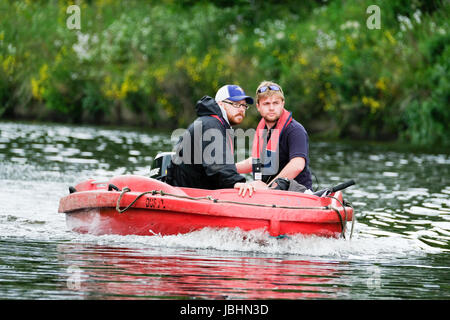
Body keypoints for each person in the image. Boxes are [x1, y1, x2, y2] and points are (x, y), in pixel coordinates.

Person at [166, 84, 258, 196]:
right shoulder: (210, 124)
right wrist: (235, 182)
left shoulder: (217, 124)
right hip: (184, 193)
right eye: (235, 104)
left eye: (244, 106)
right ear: (220, 104)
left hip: (196, 190)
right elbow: (217, 163)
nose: (241, 109)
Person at [236, 81, 313, 190]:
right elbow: (254, 160)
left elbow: (297, 165)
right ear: (258, 106)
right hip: (270, 195)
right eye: (266, 104)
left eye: (276, 103)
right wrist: (228, 168)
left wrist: (268, 187)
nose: (271, 108)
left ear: (282, 104)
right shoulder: (263, 131)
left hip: (297, 194)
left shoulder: (295, 130)